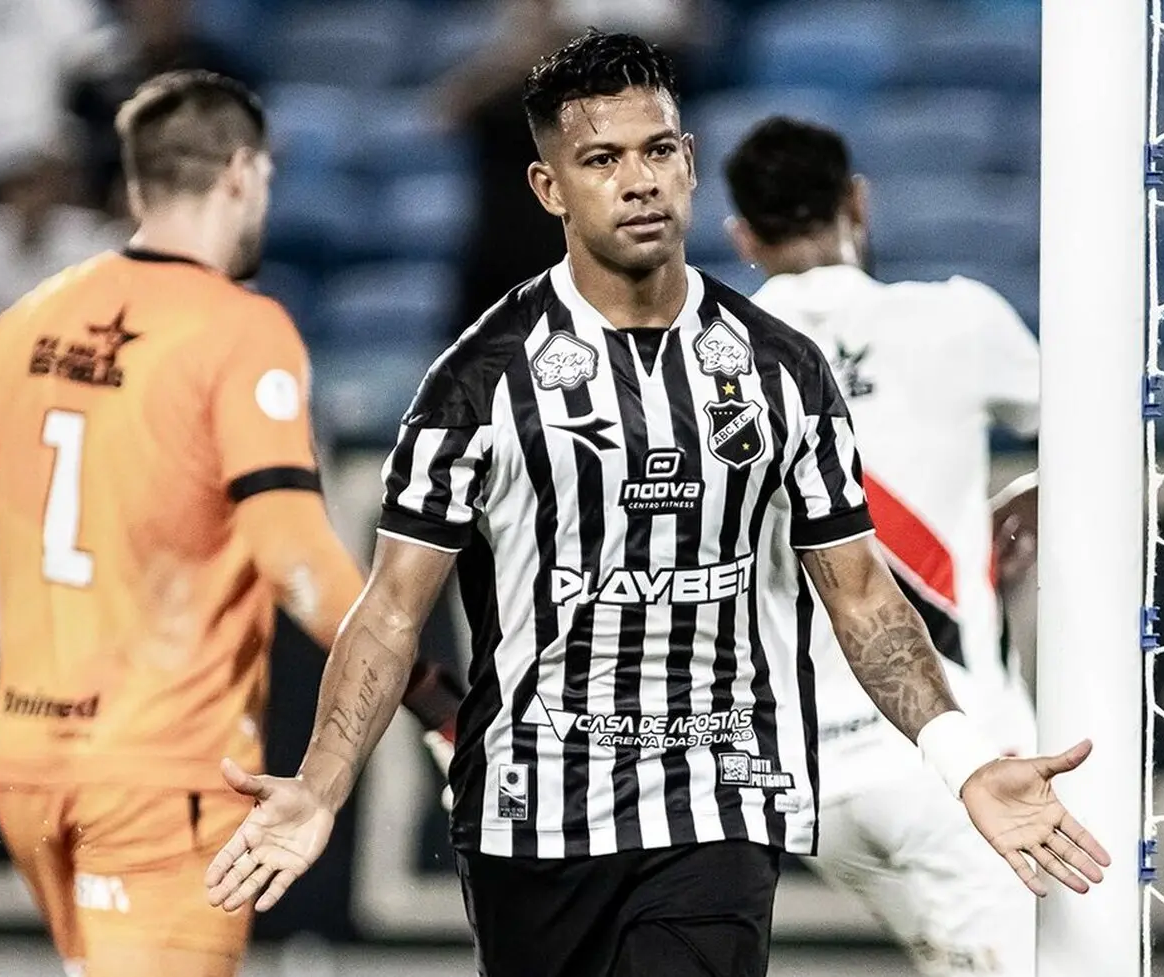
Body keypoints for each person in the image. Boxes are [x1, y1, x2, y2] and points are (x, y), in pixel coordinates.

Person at [204, 32, 1108, 977]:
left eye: (658, 151)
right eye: (602, 160)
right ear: (550, 188)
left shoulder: (781, 370)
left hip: (715, 804)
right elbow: (392, 608)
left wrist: (964, 758)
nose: (639, 182)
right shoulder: (479, 382)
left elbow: (862, 596)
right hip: (533, 818)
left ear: (689, 162)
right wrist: (320, 784)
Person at [0, 69, 454, 977]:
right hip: (160, 771)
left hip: (29, 764)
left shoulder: (26, 323)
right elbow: (295, 555)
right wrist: (426, 689)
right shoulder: (238, 330)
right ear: (241, 172)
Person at [722, 115, 1043, 975]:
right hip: (954, 752)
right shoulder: (958, 319)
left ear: (743, 236)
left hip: (809, 781)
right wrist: (1035, 494)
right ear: (857, 202)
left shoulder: (710, 360)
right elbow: (1101, 427)